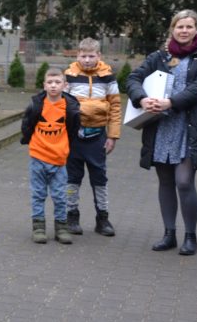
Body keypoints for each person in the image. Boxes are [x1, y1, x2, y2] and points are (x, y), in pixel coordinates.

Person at [126, 9, 197, 256]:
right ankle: (169, 234)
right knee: (165, 182)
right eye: (180, 27)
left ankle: (190, 236)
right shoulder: (160, 56)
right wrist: (142, 99)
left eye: (189, 26)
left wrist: (171, 103)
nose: (184, 31)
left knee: (184, 182)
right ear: (172, 29)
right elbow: (133, 78)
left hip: (190, 128)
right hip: (161, 127)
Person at [63, 38, 121, 236]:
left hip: (98, 136)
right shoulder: (69, 75)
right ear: (77, 55)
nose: (87, 60)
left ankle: (102, 218)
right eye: (83, 55)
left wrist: (112, 136)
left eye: (91, 56)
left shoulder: (108, 77)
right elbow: (60, 105)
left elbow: (115, 106)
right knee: (72, 179)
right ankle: (71, 216)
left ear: (99, 56)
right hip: (73, 137)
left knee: (99, 178)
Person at [20, 68, 81, 244]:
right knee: (38, 194)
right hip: (38, 157)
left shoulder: (70, 108)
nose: (53, 86)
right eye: (50, 82)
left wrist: (64, 148)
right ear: (44, 85)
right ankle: (38, 228)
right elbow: (27, 126)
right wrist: (30, 143)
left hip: (59, 160)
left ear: (65, 85)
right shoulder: (36, 105)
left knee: (60, 196)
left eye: (57, 82)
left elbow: (72, 130)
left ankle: (61, 228)